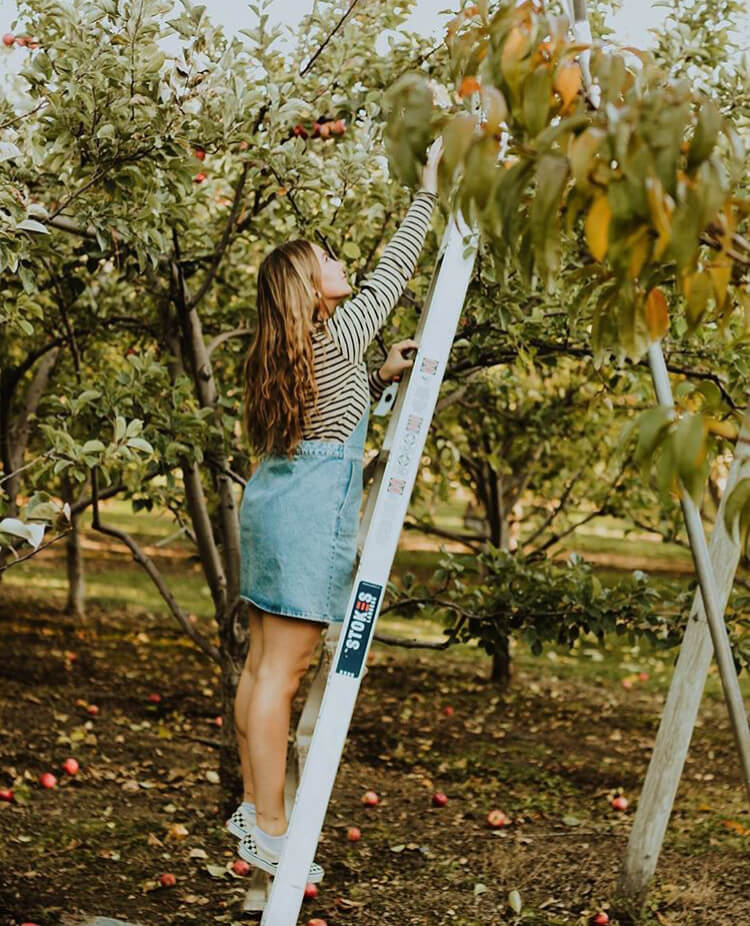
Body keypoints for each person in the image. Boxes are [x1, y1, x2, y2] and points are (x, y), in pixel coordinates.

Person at [226, 138, 444, 882]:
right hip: (307, 516)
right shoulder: (340, 333)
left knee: (261, 672)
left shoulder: (291, 350)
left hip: (274, 506)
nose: (340, 264)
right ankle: (271, 827)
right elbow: (391, 276)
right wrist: (430, 191)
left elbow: (328, 420)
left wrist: (378, 377)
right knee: (282, 678)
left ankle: (256, 813)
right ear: (309, 287)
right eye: (327, 259)